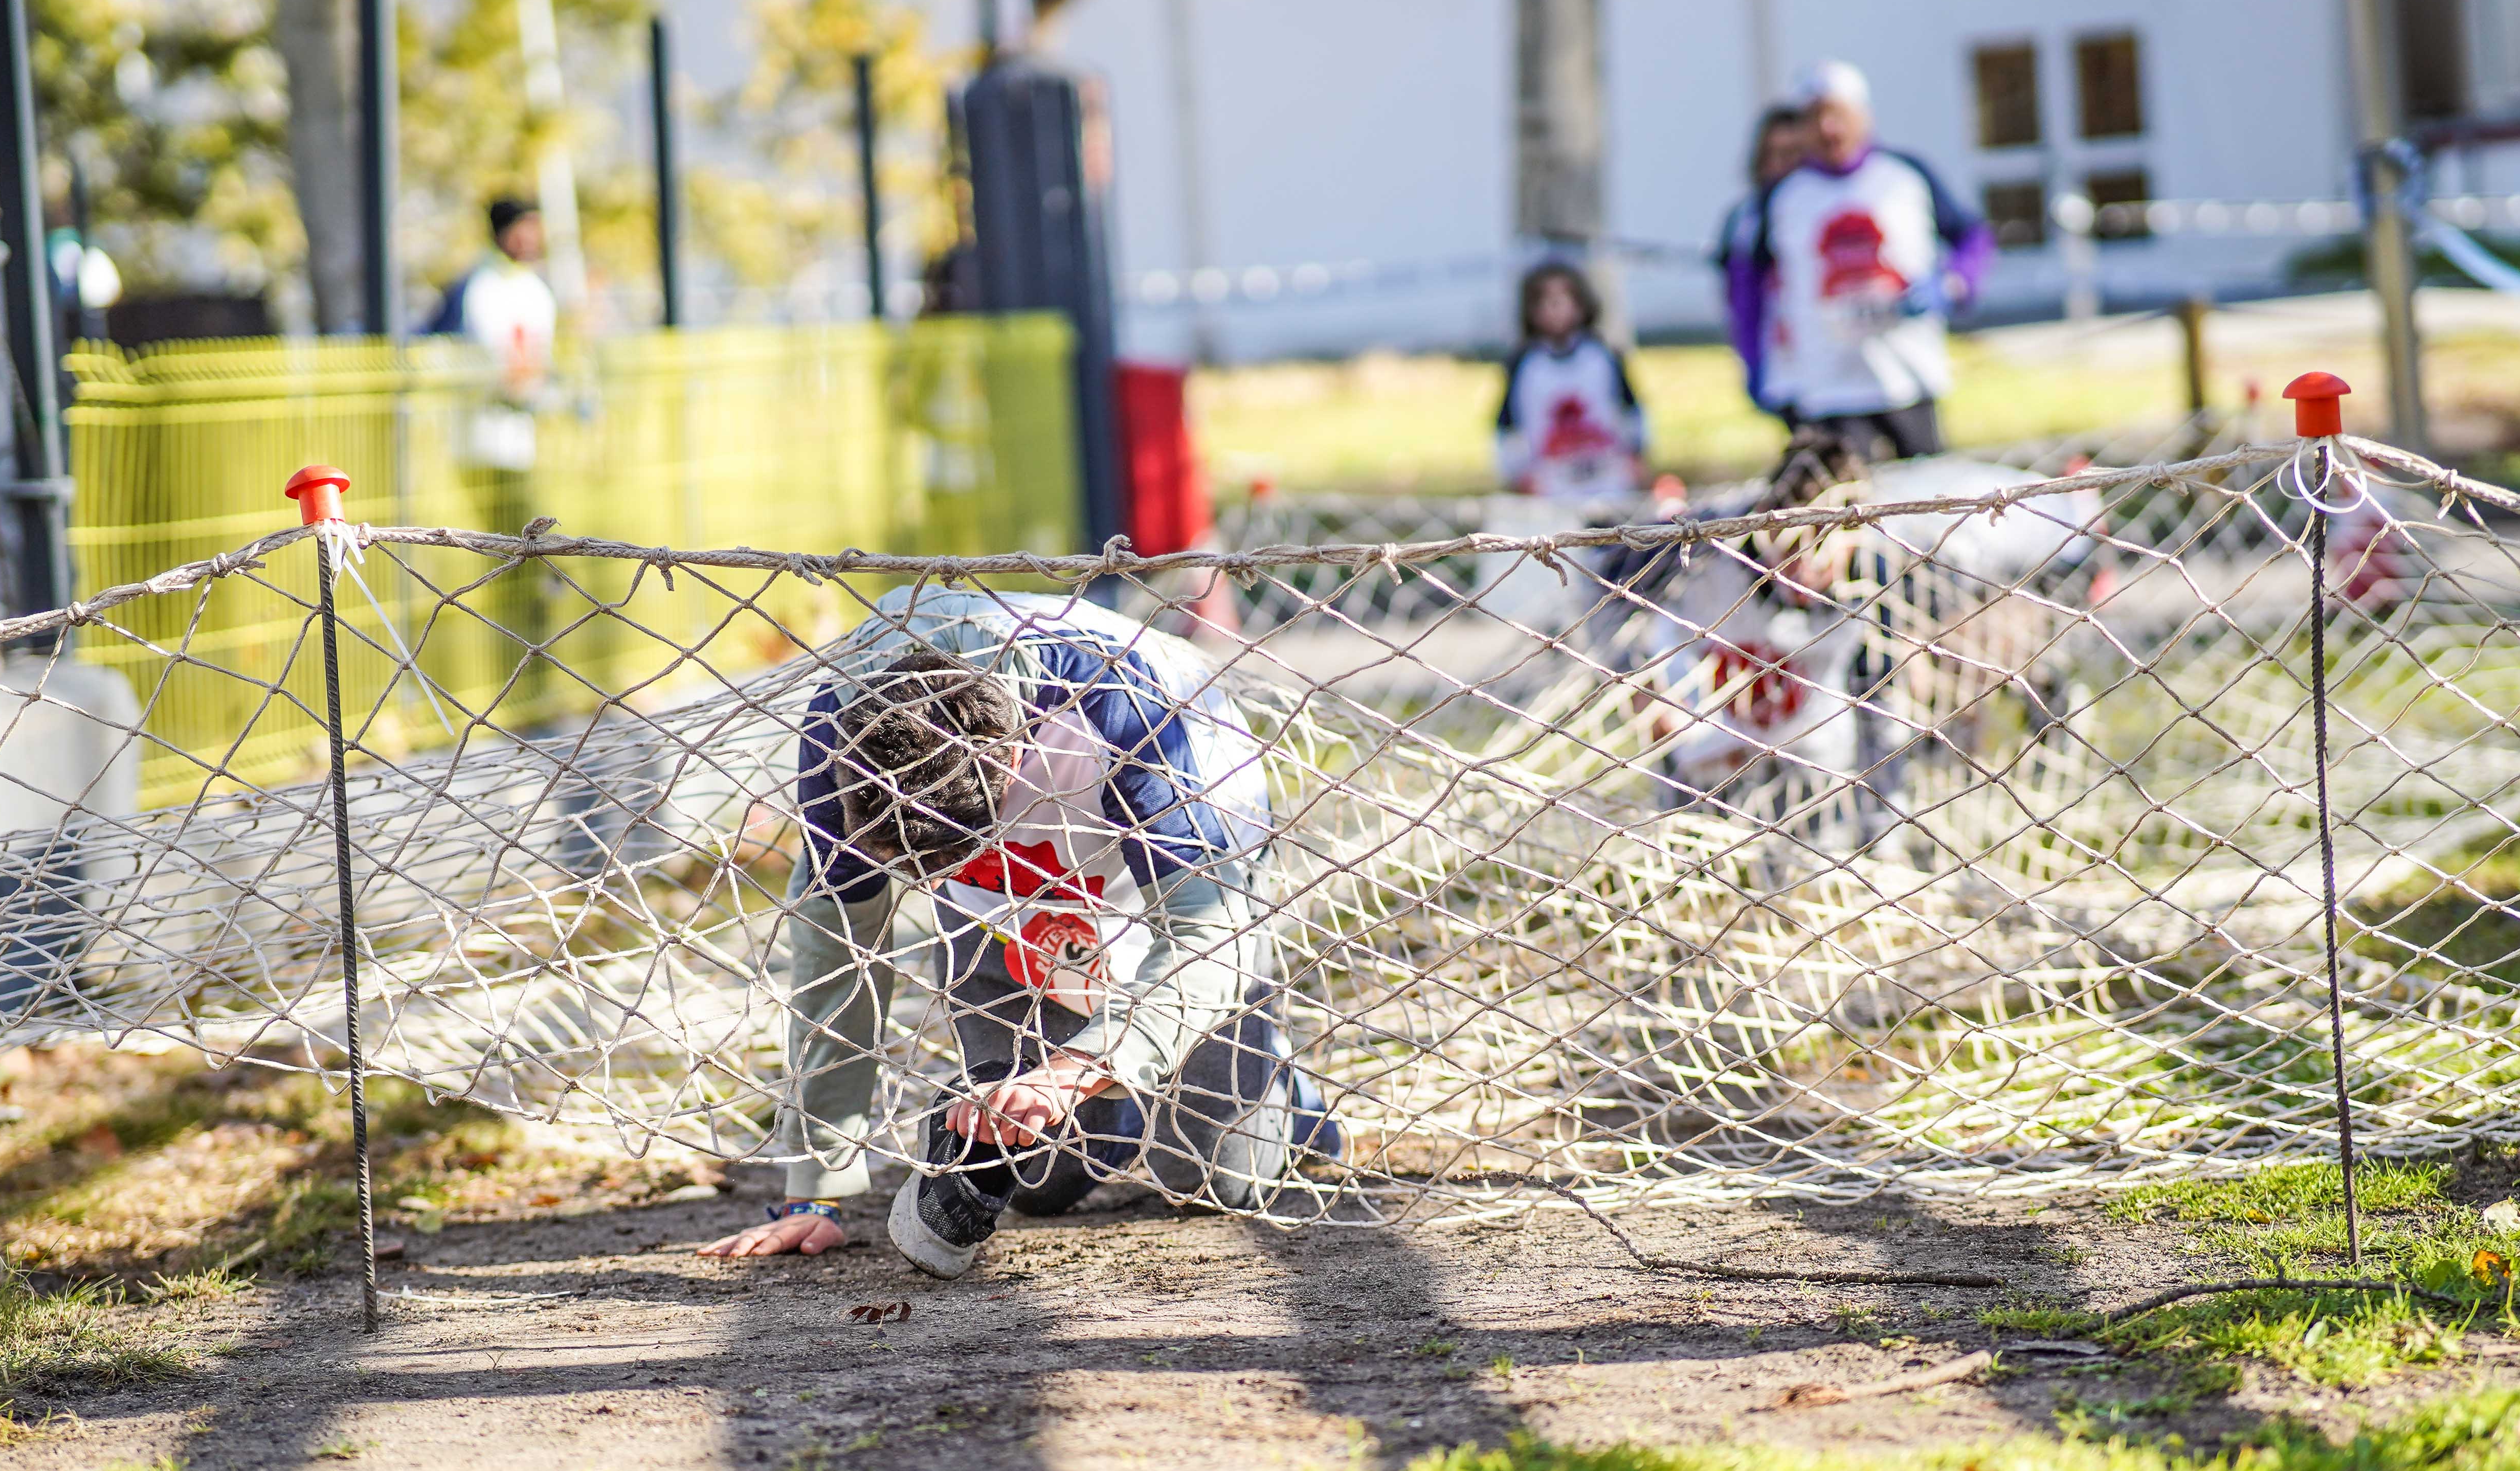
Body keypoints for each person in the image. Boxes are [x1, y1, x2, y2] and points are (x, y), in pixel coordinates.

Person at [698, 591, 1338, 1279]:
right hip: (1003, 912)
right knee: (1036, 1181)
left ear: (1010, 771)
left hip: (1171, 877)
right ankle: (1112, 1118)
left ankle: (1289, 1102)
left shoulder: (1127, 709)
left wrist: (1077, 1069)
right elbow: (838, 945)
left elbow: (1209, 930)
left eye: (940, 862)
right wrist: (814, 1190)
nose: (920, 880)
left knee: (1217, 1180)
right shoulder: (843, 729)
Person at [1740, 62, 1991, 464]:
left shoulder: (1905, 176)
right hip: (1826, 389)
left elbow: (1973, 237)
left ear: (1863, 115)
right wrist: (1755, 363)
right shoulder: (1783, 197)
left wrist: (1953, 284)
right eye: (1814, 118)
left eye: (1837, 114)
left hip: (1907, 377)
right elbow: (1747, 283)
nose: (1828, 129)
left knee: (1925, 501)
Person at [1493, 261, 1650, 501]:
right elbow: (1508, 428)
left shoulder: (1603, 356)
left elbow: (1631, 411)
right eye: (1545, 301)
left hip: (1609, 480)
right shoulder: (1524, 364)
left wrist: (1636, 457)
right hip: (1549, 485)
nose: (1555, 309)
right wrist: (1518, 475)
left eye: (1564, 298)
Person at [423, 196, 558, 471]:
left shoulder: (535, 288)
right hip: (475, 429)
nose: (533, 239)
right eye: (524, 229)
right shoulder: (476, 287)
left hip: (518, 430)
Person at [1714, 105, 1811, 421]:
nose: (1786, 165)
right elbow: (1741, 300)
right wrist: (1753, 361)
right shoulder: (1745, 219)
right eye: (1776, 154)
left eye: (1795, 153)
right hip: (1784, 362)